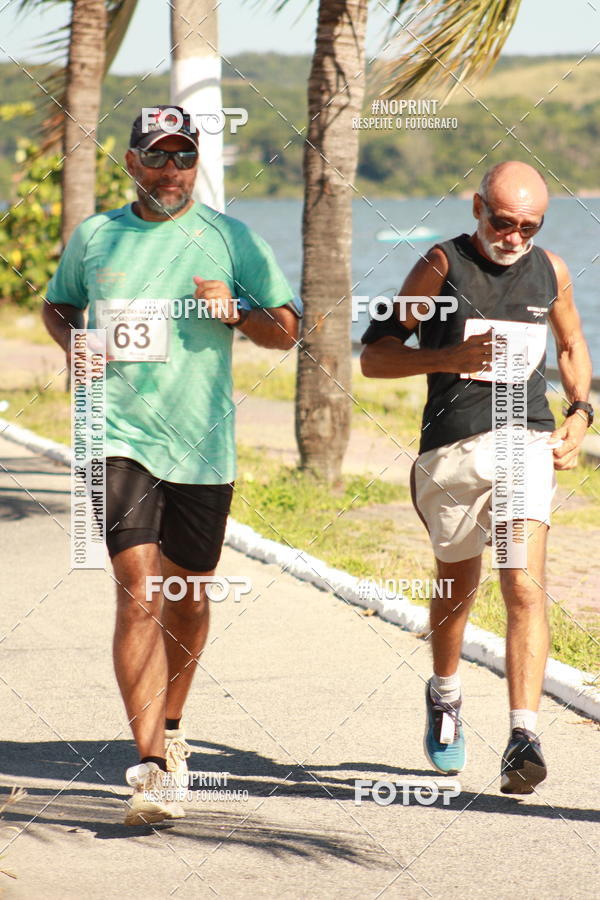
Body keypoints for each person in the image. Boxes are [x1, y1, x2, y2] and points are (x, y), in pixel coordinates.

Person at [43, 106, 300, 824]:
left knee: (188, 598)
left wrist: (239, 311)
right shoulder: (96, 236)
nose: (170, 170)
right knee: (137, 591)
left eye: (183, 157)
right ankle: (151, 762)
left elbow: (288, 331)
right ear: (131, 163)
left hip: (200, 443)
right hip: (115, 435)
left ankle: (175, 726)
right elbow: (58, 305)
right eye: (157, 156)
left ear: (196, 165)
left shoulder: (228, 238)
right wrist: (74, 342)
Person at [360, 161, 593, 794]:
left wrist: (581, 412)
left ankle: (523, 736)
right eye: (502, 221)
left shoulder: (552, 271)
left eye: (528, 225)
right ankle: (445, 693)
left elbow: (571, 346)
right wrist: (448, 357)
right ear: (476, 207)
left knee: (522, 584)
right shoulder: (440, 265)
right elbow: (374, 355)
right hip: (450, 453)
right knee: (457, 583)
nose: (513, 235)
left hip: (524, 442)